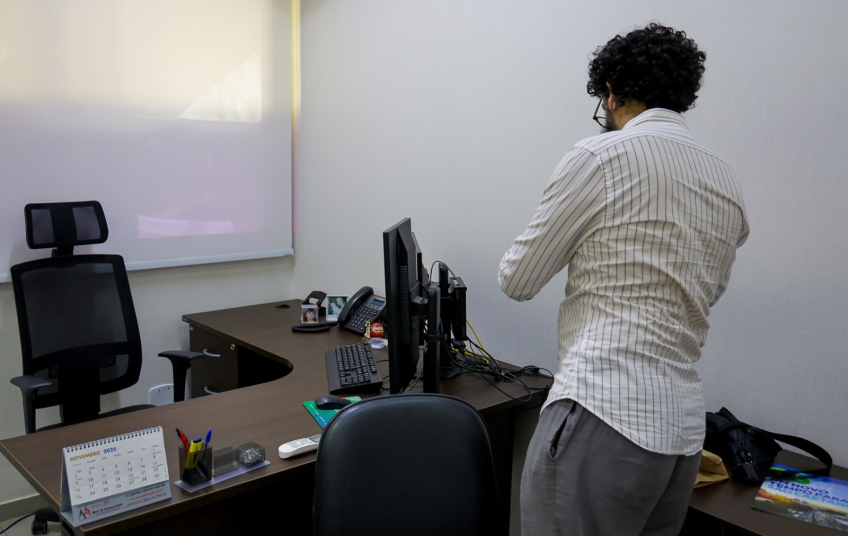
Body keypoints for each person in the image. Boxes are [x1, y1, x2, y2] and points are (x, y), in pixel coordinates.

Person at [498, 23, 749, 536]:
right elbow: (705, 292)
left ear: (612, 94)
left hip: (602, 410)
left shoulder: (599, 157)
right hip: (680, 437)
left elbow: (517, 279)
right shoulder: (726, 181)